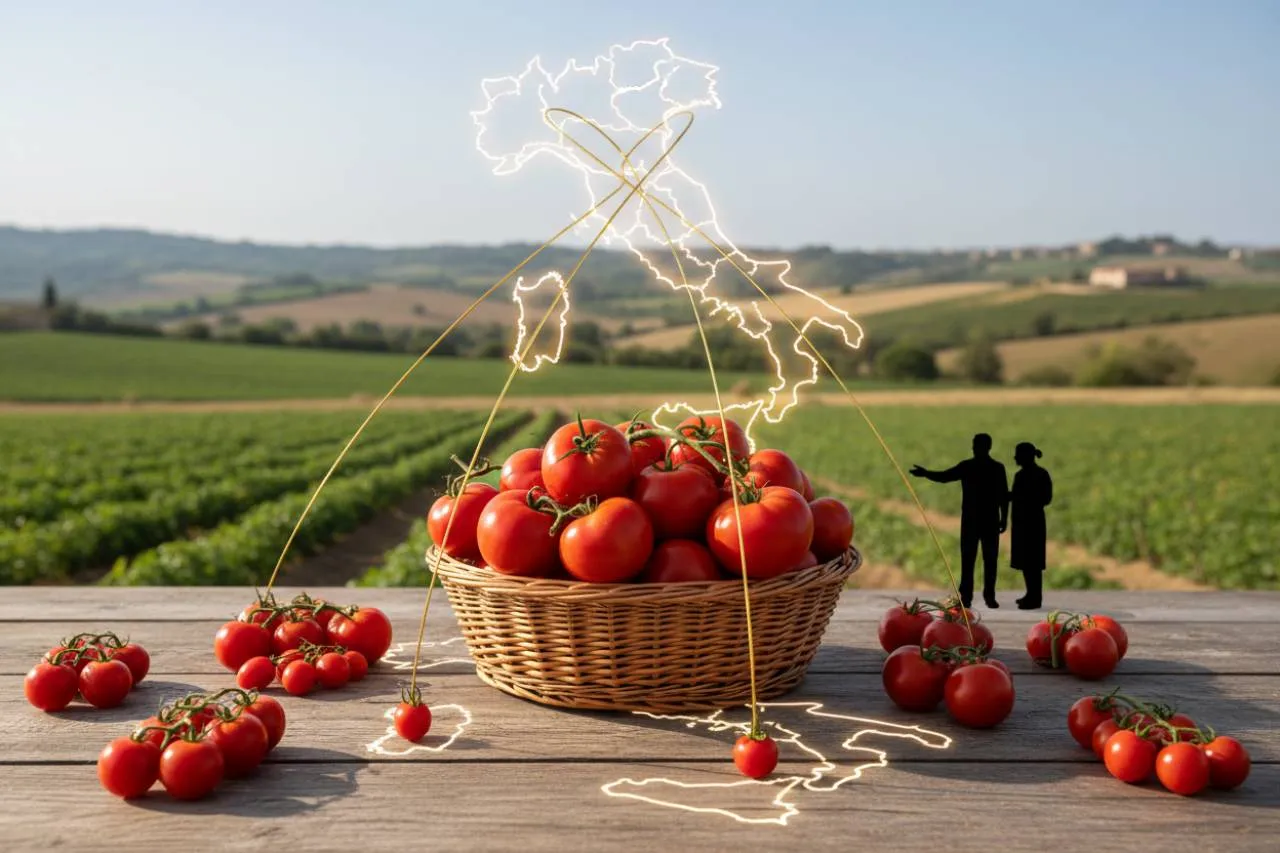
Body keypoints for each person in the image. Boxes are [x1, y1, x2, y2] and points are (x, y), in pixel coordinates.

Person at [909, 433, 1009, 609]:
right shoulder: (997, 468)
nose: (973, 448)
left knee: (969, 560)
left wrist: (926, 473)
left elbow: (945, 477)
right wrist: (1004, 518)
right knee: (988, 561)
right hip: (989, 521)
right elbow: (1003, 496)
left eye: (974, 445)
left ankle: (968, 597)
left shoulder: (968, 466)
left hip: (972, 521)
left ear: (978, 447)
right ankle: (987, 597)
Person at [1009, 441, 1053, 610]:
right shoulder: (1024, 475)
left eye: (1018, 455)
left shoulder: (1037, 475)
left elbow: (1046, 498)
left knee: (1032, 564)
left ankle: (1035, 598)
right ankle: (1030, 594)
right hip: (1024, 524)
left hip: (1032, 524)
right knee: (1027, 563)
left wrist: (1021, 497)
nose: (1015, 458)